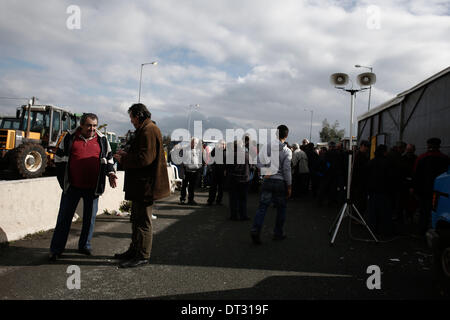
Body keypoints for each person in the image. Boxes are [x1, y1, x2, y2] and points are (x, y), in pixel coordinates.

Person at [49, 113, 117, 261]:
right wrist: (64, 183)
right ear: (81, 125)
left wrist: (111, 173)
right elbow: (59, 160)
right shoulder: (69, 138)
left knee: (89, 219)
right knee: (64, 219)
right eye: (89, 125)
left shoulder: (102, 140)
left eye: (94, 126)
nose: (92, 129)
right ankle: (56, 249)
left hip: (93, 188)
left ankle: (84, 245)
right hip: (72, 187)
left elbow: (109, 159)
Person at [113, 103, 170, 268]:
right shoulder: (147, 128)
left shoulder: (149, 129)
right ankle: (134, 250)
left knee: (143, 221)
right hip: (141, 185)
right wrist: (128, 155)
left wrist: (124, 159)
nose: (131, 121)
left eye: (131, 117)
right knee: (136, 219)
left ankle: (142, 255)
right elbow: (143, 154)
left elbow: (145, 158)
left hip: (146, 186)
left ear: (138, 116)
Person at [251, 125, 292, 244]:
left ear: (276, 134)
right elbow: (287, 170)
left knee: (262, 207)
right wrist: (289, 186)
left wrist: (265, 171)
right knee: (281, 209)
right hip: (280, 182)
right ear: (286, 135)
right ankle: (278, 233)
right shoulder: (287, 151)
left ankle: (255, 230)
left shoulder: (267, 146)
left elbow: (258, 162)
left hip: (268, 180)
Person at [413, 138, 449, 235]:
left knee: (423, 212)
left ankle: (421, 232)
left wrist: (415, 190)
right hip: (440, 193)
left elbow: (416, 175)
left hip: (424, 191)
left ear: (428, 145)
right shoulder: (445, 158)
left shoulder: (421, 158)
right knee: (436, 213)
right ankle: (435, 231)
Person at [366, 144, 395, 237]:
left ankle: (372, 229)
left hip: (373, 191)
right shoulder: (388, 163)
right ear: (384, 152)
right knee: (383, 211)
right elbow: (391, 178)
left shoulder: (371, 162)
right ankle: (383, 230)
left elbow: (366, 176)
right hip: (384, 191)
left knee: (372, 211)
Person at [227, 139, 251, 221]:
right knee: (243, 198)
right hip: (244, 179)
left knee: (233, 198)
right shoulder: (247, 155)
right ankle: (243, 215)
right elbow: (251, 166)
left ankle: (234, 215)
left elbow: (226, 167)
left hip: (233, 179)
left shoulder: (230, 155)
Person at [179, 137, 203, 205]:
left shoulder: (198, 150)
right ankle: (182, 199)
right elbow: (181, 159)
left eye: (196, 143)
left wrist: (198, 166)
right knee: (184, 185)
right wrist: (186, 166)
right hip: (186, 171)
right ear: (191, 142)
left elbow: (201, 160)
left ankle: (191, 200)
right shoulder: (185, 149)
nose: (194, 144)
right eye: (193, 142)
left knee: (192, 186)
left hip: (195, 171)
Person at [351, 140, 370, 216]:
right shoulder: (359, 156)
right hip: (359, 183)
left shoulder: (359, 155)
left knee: (359, 200)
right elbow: (359, 170)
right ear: (362, 146)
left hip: (359, 182)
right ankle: (357, 216)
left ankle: (357, 215)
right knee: (359, 201)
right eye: (366, 146)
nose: (367, 148)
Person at [207, 140, 226, 205]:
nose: (223, 146)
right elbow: (210, 159)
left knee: (221, 187)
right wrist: (211, 168)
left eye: (224, 144)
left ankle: (219, 201)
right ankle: (210, 200)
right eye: (222, 144)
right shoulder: (215, 150)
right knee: (213, 187)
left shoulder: (226, 151)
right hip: (215, 171)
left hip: (223, 172)